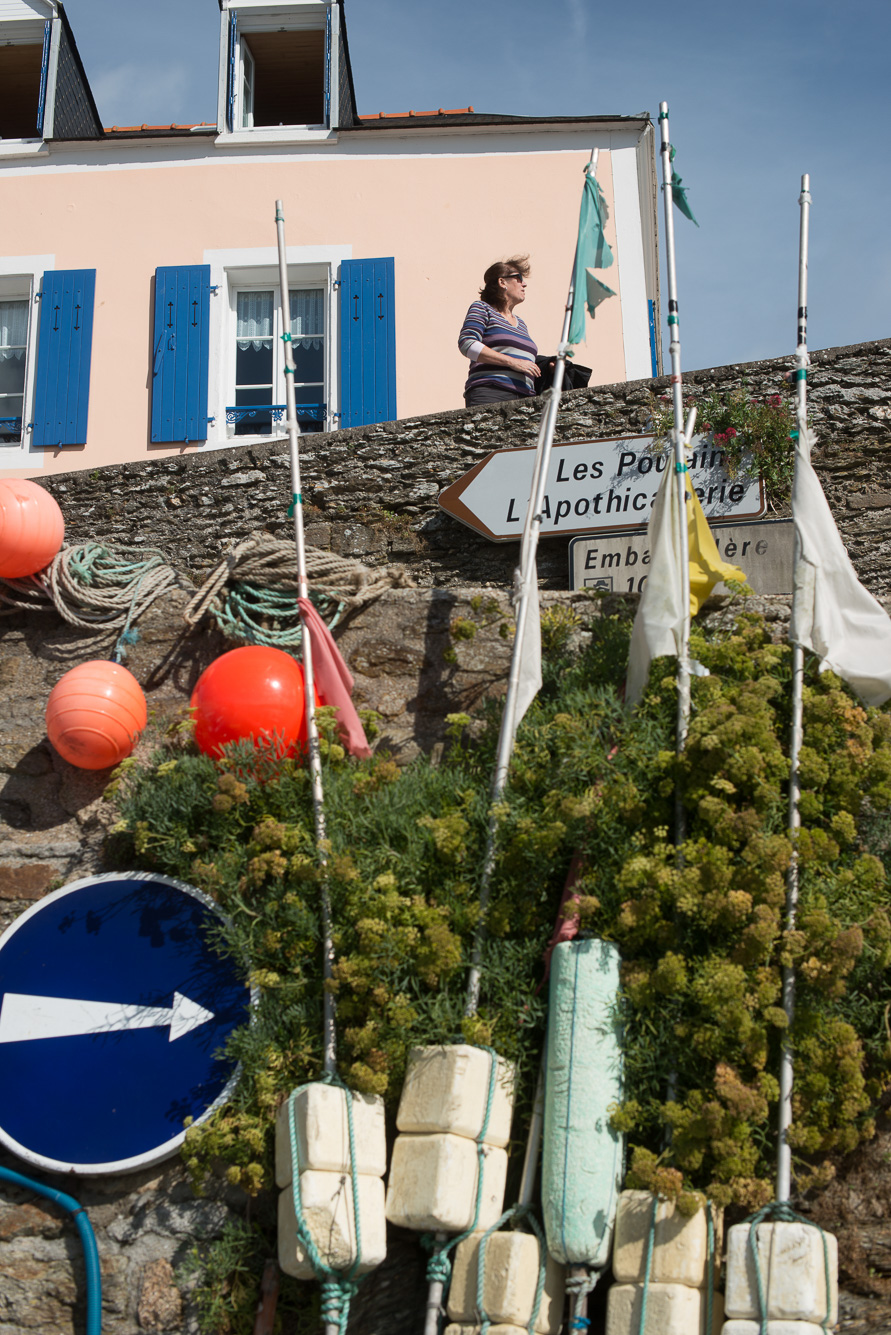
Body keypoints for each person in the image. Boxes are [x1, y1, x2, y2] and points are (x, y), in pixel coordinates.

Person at [458, 256, 541, 407]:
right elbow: (467, 344)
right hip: (491, 392)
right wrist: (512, 362)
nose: (524, 284)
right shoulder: (482, 308)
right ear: (502, 282)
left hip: (525, 397)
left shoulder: (521, 323)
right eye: (519, 278)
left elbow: (520, 358)